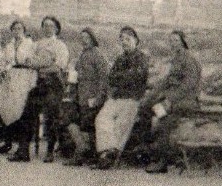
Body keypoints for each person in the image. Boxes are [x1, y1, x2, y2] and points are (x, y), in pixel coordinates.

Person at [11, 16, 70, 163]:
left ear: (56, 28)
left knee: (51, 114)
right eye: (45, 25)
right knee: (26, 113)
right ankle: (23, 151)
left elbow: (58, 66)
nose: (47, 28)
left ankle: (50, 151)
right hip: (39, 83)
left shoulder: (60, 46)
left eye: (51, 26)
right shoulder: (36, 44)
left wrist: (40, 65)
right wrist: (45, 62)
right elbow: (29, 61)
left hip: (54, 84)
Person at [142, 30, 202, 174]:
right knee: (147, 109)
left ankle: (163, 162)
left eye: (176, 40)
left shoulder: (189, 59)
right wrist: (150, 96)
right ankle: (150, 153)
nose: (173, 43)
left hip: (187, 101)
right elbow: (166, 82)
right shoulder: (176, 59)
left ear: (183, 42)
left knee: (164, 121)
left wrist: (169, 100)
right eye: (171, 41)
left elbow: (189, 85)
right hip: (174, 101)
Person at [93, 26, 150, 170]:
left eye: (128, 39)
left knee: (122, 123)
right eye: (122, 39)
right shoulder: (119, 59)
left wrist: (122, 77)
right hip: (117, 97)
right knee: (101, 118)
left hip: (132, 98)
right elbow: (111, 78)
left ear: (136, 41)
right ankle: (108, 152)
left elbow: (137, 76)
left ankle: (109, 157)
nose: (124, 42)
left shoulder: (142, 58)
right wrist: (124, 76)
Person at [65, 27, 109, 167]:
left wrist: (99, 97)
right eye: (82, 38)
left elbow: (104, 78)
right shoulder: (82, 55)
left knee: (88, 125)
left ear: (92, 39)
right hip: (81, 96)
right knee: (71, 120)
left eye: (87, 38)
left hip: (92, 97)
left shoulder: (98, 55)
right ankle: (83, 149)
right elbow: (75, 75)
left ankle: (84, 154)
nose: (84, 41)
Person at [0, 20, 37, 154]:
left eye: (19, 28)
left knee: (20, 109)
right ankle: (7, 142)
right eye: (14, 28)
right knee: (6, 108)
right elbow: (3, 61)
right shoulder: (9, 45)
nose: (17, 31)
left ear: (24, 30)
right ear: (12, 31)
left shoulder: (30, 44)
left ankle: (22, 145)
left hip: (24, 77)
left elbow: (33, 63)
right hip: (11, 76)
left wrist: (32, 82)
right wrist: (3, 70)